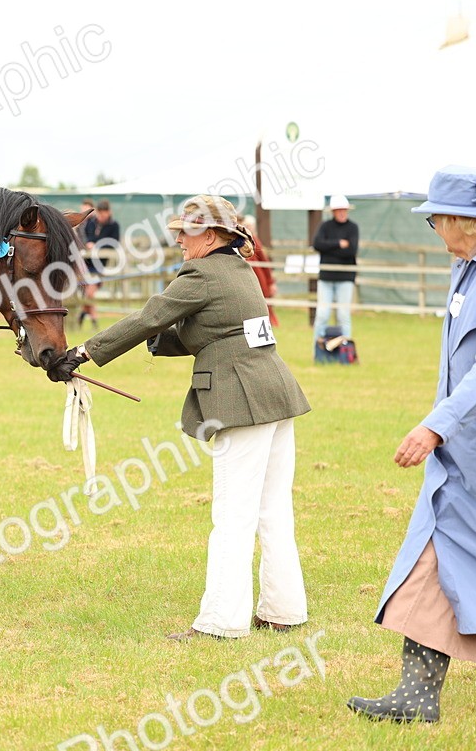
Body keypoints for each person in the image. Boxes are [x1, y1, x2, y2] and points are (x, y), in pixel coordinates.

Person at [48, 195, 311, 641]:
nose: (179, 241)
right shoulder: (238, 271)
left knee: (232, 515)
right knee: (272, 511)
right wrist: (156, 339)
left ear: (211, 236)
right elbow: (214, 328)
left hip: (241, 400)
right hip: (276, 394)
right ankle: (283, 611)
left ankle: (220, 622)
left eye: (185, 233)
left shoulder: (201, 273)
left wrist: (82, 352)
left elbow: (150, 316)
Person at [347, 166, 476, 724]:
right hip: (464, 452)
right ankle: (416, 696)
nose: (432, 228)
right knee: (433, 552)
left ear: (464, 222)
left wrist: (435, 426)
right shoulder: (468, 267)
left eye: (434, 219)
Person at [311, 194, 359, 344]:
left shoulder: (353, 228)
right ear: (333, 212)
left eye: (344, 210)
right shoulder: (325, 226)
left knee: (343, 315)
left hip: (345, 278)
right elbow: (317, 244)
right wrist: (338, 243)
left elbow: (351, 251)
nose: (342, 213)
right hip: (326, 278)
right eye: (339, 210)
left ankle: (346, 349)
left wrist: (328, 248)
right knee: (322, 315)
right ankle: (317, 348)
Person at [81, 200, 120, 330]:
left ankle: (87, 317)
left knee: (89, 293)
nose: (101, 217)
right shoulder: (90, 223)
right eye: (100, 214)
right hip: (86, 264)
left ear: (109, 212)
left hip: (100, 266)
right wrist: (89, 244)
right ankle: (90, 320)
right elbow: (85, 238)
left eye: (104, 214)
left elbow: (114, 243)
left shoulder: (114, 226)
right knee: (87, 293)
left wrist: (96, 245)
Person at [242, 214, 279, 327]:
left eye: (250, 226)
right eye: (246, 225)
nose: (249, 228)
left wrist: (270, 282)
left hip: (258, 277)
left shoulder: (254, 241)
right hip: (246, 277)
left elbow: (264, 261)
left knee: (264, 303)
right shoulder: (240, 241)